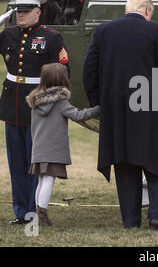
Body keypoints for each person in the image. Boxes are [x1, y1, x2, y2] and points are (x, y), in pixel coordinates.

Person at [83, 0, 158, 229]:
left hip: (116, 109)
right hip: (148, 104)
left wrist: (100, 102)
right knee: (154, 160)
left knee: (124, 162)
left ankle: (130, 221)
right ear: (147, 11)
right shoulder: (157, 31)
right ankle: (155, 217)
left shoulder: (103, 31)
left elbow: (88, 70)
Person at [0, 0, 70, 225]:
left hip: (38, 108)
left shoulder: (51, 38)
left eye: (25, 12)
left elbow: (63, 73)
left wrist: (51, 104)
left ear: (38, 12)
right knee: (16, 163)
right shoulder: (9, 34)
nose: (20, 16)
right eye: (18, 12)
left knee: (34, 163)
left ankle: (35, 211)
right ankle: (21, 212)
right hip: (11, 105)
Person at [26, 63, 100, 227]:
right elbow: (79, 115)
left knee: (41, 180)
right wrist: (99, 109)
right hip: (53, 150)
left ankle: (38, 214)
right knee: (49, 180)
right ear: (62, 79)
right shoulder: (60, 102)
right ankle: (42, 215)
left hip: (38, 148)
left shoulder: (35, 101)